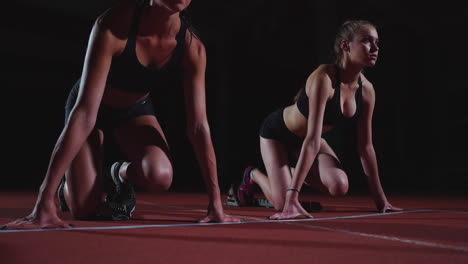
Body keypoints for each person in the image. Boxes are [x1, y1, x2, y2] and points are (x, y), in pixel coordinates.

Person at [2, 0, 239, 230]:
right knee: (84, 209)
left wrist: (215, 203)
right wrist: (45, 197)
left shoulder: (193, 48)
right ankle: (70, 185)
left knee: (160, 176)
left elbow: (198, 126)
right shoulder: (114, 24)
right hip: (90, 106)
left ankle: (118, 173)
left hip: (134, 111)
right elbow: (85, 113)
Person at [237, 20, 402, 220]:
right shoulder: (324, 78)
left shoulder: (367, 91)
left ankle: (286, 174)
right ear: (345, 45)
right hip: (277, 135)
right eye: (367, 41)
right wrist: (292, 199)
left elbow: (366, 147)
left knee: (339, 185)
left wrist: (381, 200)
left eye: (377, 42)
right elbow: (312, 140)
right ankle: (253, 175)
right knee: (282, 203)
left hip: (307, 141)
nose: (375, 47)